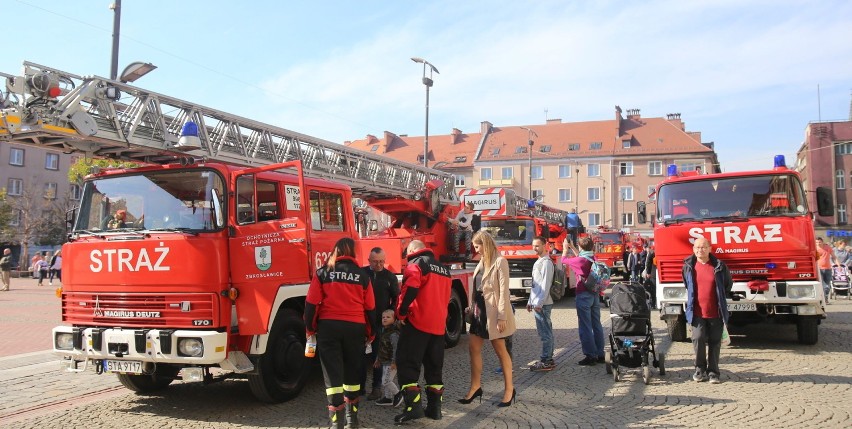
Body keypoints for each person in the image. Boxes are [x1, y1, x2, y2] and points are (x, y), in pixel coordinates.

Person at [304, 237, 376, 429]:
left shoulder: (322, 273)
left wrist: (310, 328)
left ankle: (336, 423)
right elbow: (370, 308)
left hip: (329, 328)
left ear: (335, 251)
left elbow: (311, 305)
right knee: (352, 374)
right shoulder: (363, 276)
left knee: (332, 376)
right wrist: (371, 332)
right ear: (352, 252)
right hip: (355, 328)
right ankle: (352, 421)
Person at [394, 240, 452, 423]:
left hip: (418, 323)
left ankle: (413, 408)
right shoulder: (444, 269)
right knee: (434, 368)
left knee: (407, 364)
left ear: (412, 250)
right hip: (437, 326)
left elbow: (410, 288)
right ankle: (435, 409)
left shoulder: (417, 264)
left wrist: (401, 312)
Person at [459, 231, 517, 408]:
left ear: (485, 244)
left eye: (477, 246)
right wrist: (470, 305)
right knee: (473, 348)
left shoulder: (500, 262)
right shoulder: (482, 261)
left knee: (500, 350)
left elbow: (503, 292)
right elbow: (477, 286)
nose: (475, 250)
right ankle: (475, 387)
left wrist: (502, 316)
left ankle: (509, 390)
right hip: (479, 310)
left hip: (493, 312)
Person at [683, 237, 732, 384]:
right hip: (697, 312)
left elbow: (727, 285)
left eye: (704, 247)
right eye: (697, 247)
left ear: (710, 249)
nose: (700, 250)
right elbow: (687, 284)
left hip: (715, 312)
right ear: (693, 249)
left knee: (715, 342)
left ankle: (713, 372)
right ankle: (700, 370)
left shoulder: (719, 266)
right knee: (697, 339)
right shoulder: (688, 265)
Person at [362, 247, 399, 401]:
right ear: (369, 260)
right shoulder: (361, 273)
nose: (378, 264)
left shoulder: (390, 277)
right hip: (363, 322)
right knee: (360, 357)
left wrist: (391, 312)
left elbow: (396, 298)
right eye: (375, 262)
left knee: (378, 356)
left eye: (381, 262)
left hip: (380, 324)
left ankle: (376, 387)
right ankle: (359, 386)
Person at [562, 236, 605, 365]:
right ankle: (600, 354)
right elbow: (581, 255)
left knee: (585, 326)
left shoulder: (580, 261)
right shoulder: (593, 258)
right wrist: (573, 247)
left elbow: (564, 260)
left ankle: (590, 355)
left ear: (581, 247)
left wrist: (565, 249)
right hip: (594, 294)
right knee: (596, 324)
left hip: (583, 294)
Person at [528, 236, 555, 372]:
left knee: (545, 333)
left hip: (543, 304)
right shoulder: (538, 261)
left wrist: (538, 303)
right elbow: (535, 285)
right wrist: (530, 301)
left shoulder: (546, 263)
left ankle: (546, 360)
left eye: (537, 246)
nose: (535, 248)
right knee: (544, 332)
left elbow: (545, 285)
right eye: (533, 245)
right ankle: (548, 358)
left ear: (545, 245)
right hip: (538, 303)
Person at [373, 309, 402, 407]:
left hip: (391, 362)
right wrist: (378, 359)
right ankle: (387, 398)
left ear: (394, 319)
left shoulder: (393, 334)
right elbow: (381, 346)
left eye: (388, 317)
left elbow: (396, 349)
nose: (385, 319)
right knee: (385, 378)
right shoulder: (383, 330)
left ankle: (398, 394)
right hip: (385, 361)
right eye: (383, 317)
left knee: (386, 381)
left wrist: (394, 362)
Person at [816, 237, 833, 304]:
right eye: (817, 242)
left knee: (827, 285)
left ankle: (825, 298)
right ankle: (823, 299)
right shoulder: (815, 249)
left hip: (828, 268)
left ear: (822, 242)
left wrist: (838, 265)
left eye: (819, 242)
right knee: (823, 285)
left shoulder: (827, 247)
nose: (818, 243)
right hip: (819, 268)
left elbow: (834, 256)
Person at [642, 243, 657, 309]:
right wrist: (648, 273)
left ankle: (654, 304)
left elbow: (648, 263)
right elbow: (648, 263)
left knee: (654, 290)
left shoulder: (651, 253)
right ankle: (654, 303)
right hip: (654, 274)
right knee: (654, 289)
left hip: (653, 274)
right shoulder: (652, 253)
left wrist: (648, 273)